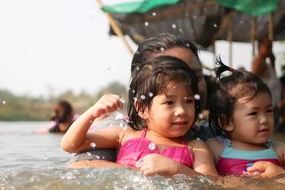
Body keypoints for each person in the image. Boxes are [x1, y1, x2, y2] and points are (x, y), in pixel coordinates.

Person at [66, 33, 213, 175]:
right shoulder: (123, 133)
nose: (181, 110)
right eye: (169, 102)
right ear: (142, 107)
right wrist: (92, 112)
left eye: (188, 101)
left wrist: (177, 169)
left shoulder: (197, 146)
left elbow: (213, 184)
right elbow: (72, 149)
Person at [207, 58, 285, 177]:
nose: (264, 119)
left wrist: (282, 173)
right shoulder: (215, 147)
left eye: (269, 110)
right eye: (253, 113)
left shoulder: (281, 150)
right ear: (226, 122)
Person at [251, 36, 281, 129]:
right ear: (259, 47)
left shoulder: (265, 62)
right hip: (267, 106)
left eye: (271, 47)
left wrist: (273, 62)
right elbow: (252, 81)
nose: (270, 49)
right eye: (268, 46)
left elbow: (274, 79)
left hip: (272, 106)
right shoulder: (258, 62)